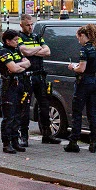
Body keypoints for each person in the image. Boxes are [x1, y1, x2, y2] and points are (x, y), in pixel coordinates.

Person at [17, 14, 58, 145]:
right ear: (21, 25)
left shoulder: (37, 36)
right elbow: (26, 52)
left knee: (44, 106)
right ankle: (24, 137)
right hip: (27, 76)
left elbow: (48, 52)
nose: (30, 27)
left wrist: (32, 51)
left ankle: (47, 135)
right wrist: (38, 49)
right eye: (27, 25)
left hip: (40, 76)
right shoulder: (18, 37)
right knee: (25, 107)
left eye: (31, 25)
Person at [65, 23, 96, 153]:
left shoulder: (84, 50)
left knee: (77, 112)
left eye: (78, 38)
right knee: (92, 112)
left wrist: (72, 67)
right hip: (93, 81)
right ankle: (93, 141)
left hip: (83, 83)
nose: (78, 41)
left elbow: (81, 68)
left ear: (82, 35)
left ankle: (73, 142)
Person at [0, 30, 30, 154]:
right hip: (8, 86)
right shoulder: (3, 53)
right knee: (9, 116)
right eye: (15, 40)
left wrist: (18, 66)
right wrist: (20, 66)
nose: (17, 42)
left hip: (19, 85)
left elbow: (28, 63)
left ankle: (15, 141)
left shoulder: (16, 51)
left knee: (17, 115)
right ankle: (6, 143)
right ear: (7, 41)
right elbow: (13, 68)